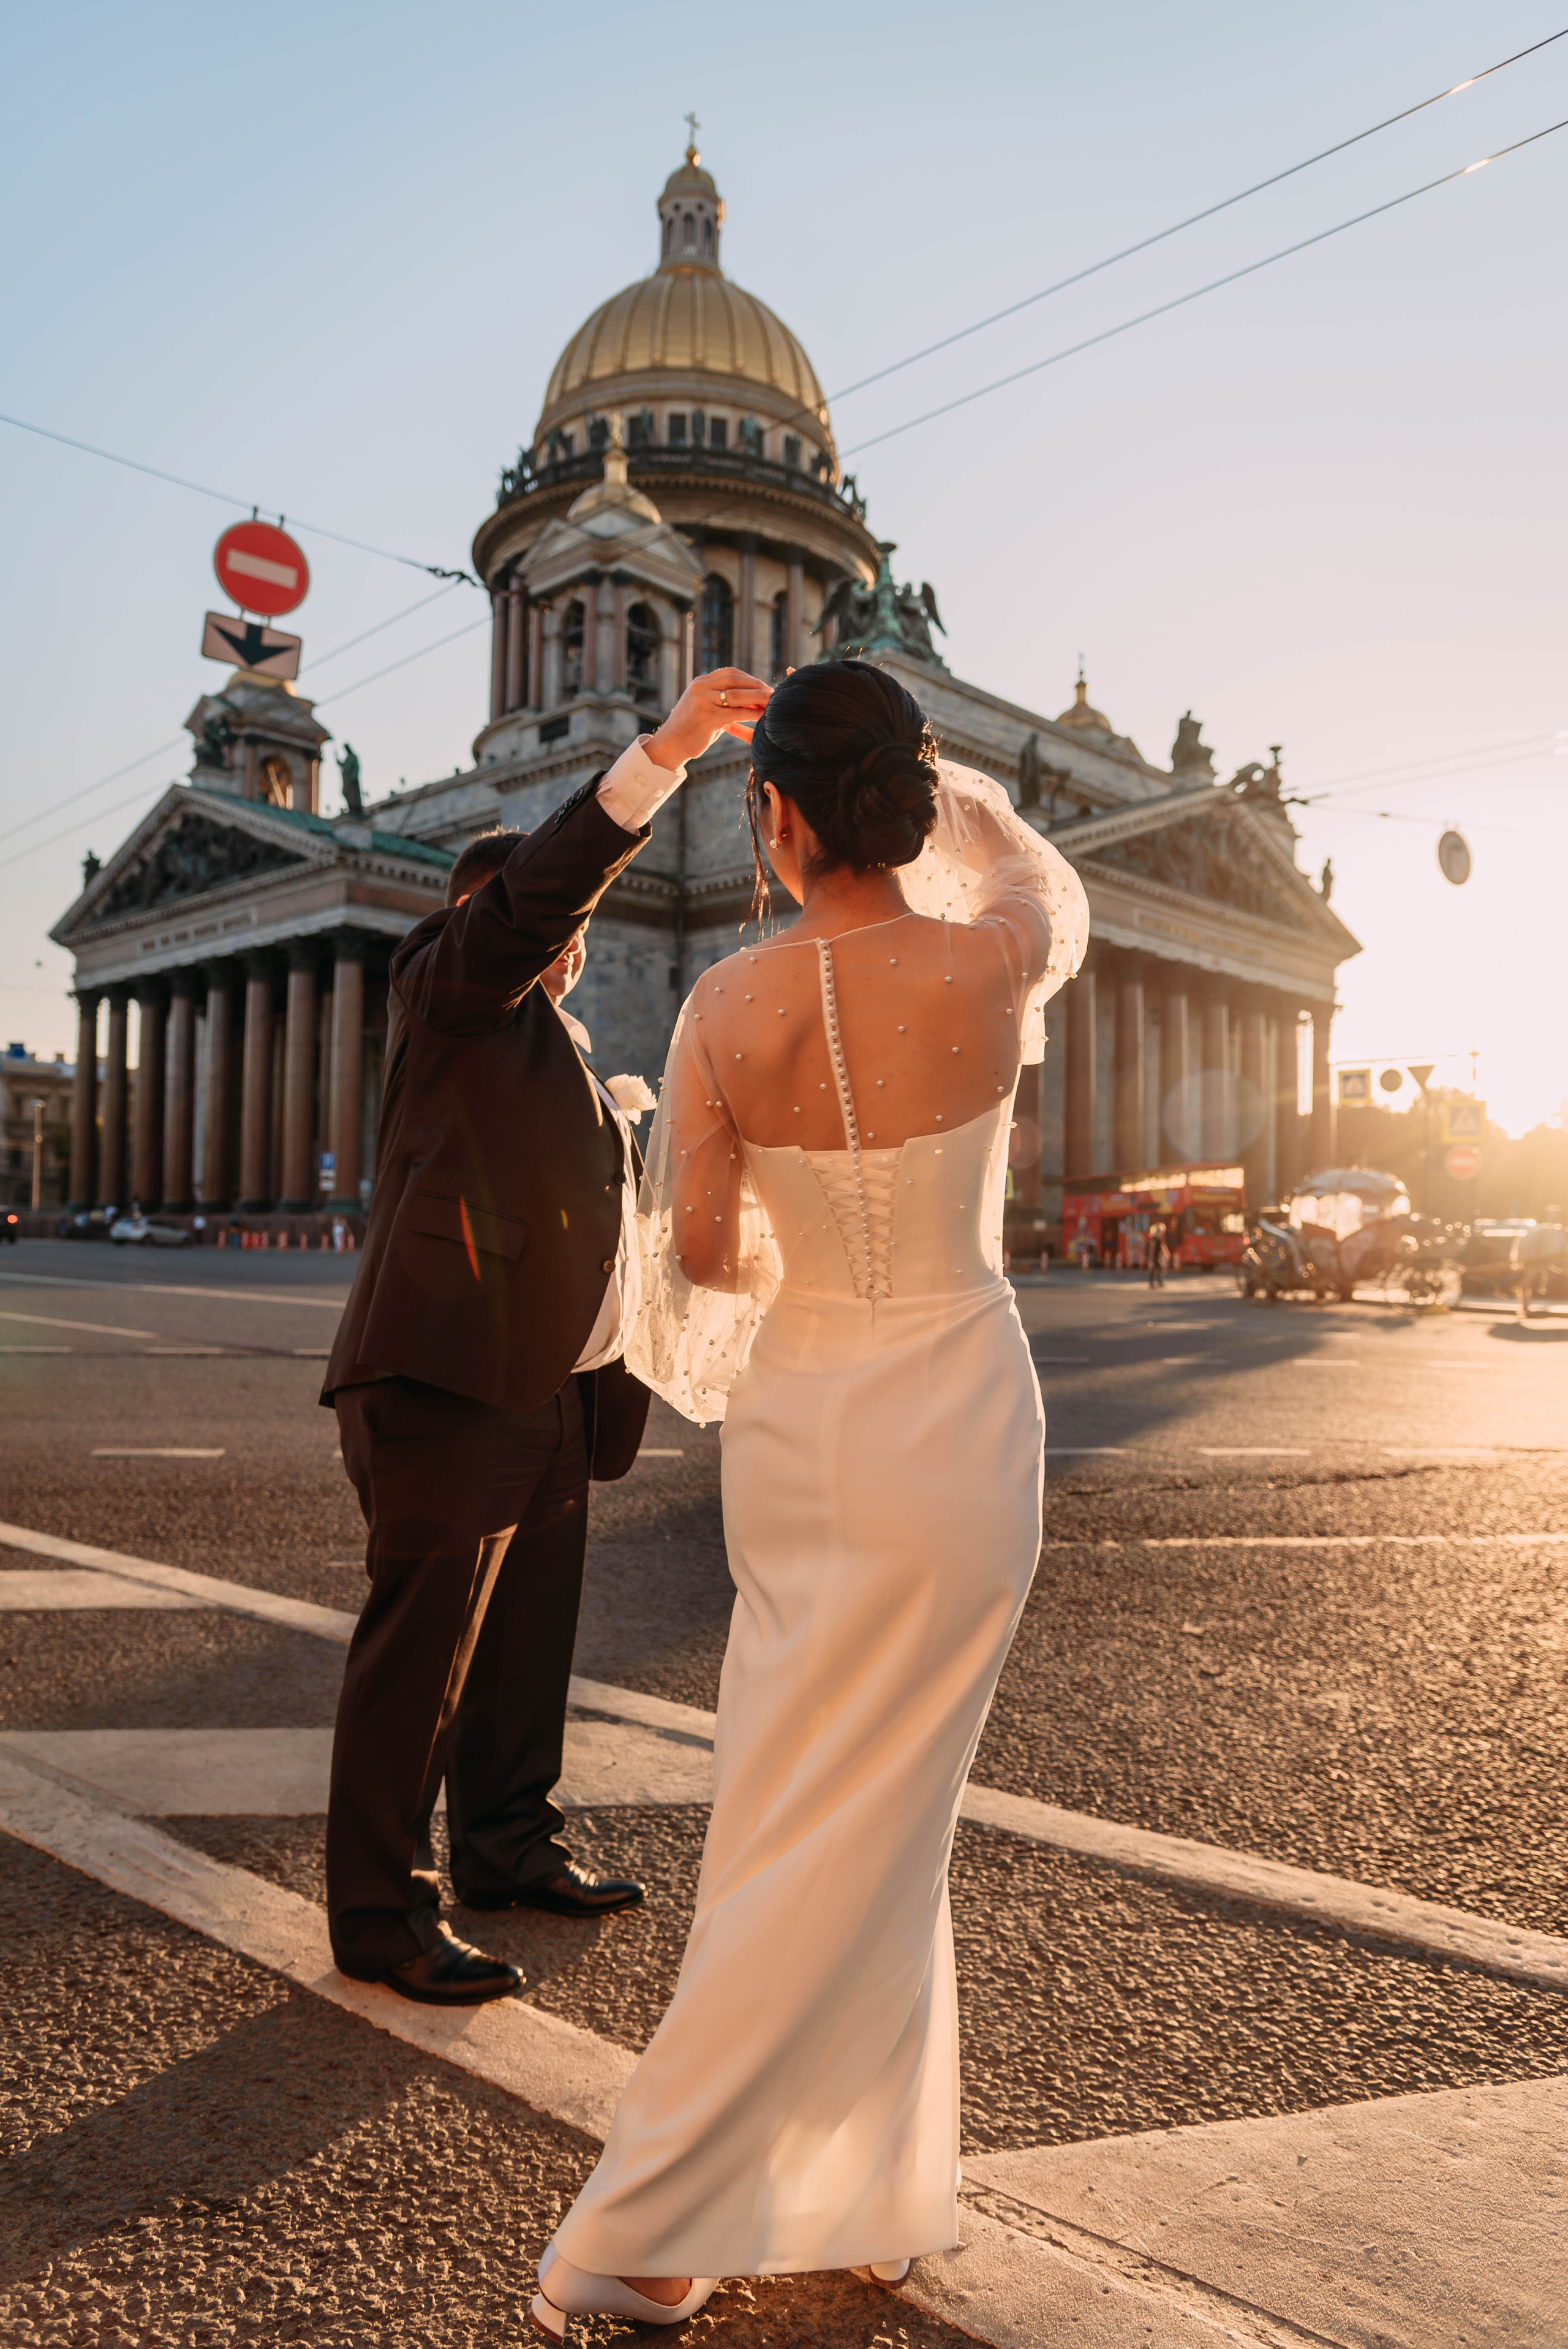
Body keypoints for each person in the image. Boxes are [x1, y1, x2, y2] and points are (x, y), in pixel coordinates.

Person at [530, 660, 1088, 2336]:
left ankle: (722, 2214)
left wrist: (798, 1237)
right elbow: (1042, 884)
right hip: (964, 1427)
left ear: (773, 817)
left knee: (796, 1817)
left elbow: (703, 1253)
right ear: (908, 812)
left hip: (803, 1434)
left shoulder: (724, 1010)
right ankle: (780, 2202)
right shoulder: (993, 963)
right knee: (889, 1819)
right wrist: (955, 788)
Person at [318, 667, 771, 2008]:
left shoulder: (556, 1051)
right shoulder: (448, 994)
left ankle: (509, 1849)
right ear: (485, 919)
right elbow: (530, 900)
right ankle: (377, 1914)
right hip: (450, 1385)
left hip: (551, 1398)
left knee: (520, 1646)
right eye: (546, 919)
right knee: (422, 1656)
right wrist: (665, 758)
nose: (566, 941)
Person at [1147, 1216, 1167, 1287]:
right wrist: (1150, 1258)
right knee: (1159, 1268)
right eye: (1160, 1231)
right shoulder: (1154, 1239)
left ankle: (1154, 1283)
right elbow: (1151, 1249)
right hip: (1155, 1256)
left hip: (1158, 1256)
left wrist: (1166, 1254)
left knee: (1156, 1269)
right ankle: (1159, 1282)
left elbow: (1163, 1247)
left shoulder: (1160, 1239)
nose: (1161, 1232)